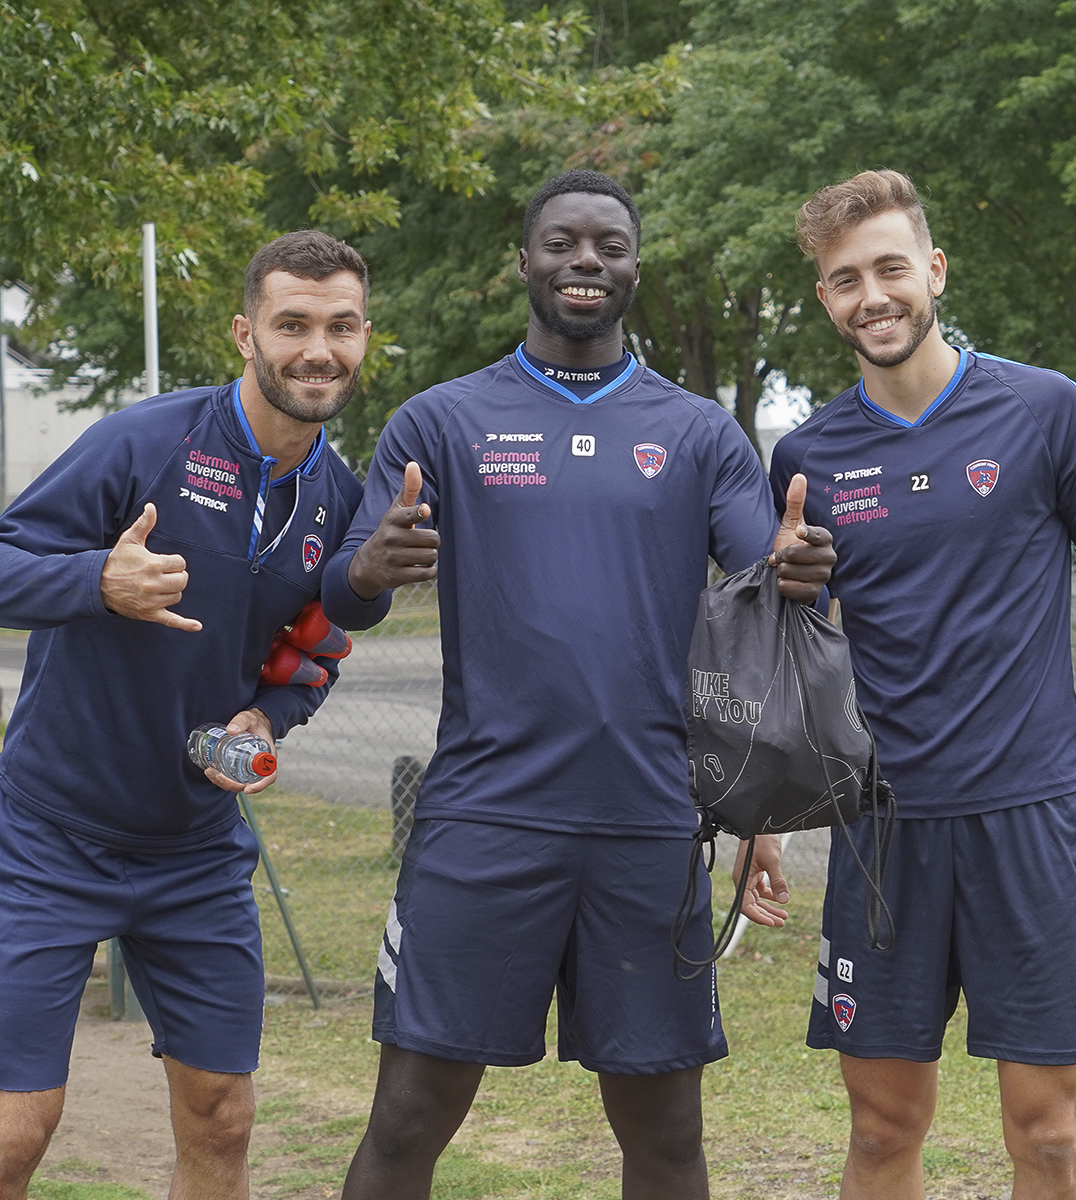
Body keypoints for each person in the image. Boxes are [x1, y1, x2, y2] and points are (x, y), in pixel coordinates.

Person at [320, 169, 836, 1200]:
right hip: (483, 821)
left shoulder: (694, 432)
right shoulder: (440, 422)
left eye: (608, 244)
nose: (585, 261)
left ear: (635, 264)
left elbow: (766, 580)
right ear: (525, 262)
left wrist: (797, 568)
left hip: (647, 826)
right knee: (406, 1121)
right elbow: (346, 593)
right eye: (561, 243)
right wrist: (368, 567)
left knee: (665, 1140)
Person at [752, 169, 1076, 1200]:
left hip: (1030, 822)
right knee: (880, 1132)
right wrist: (767, 820)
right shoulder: (805, 456)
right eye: (843, 280)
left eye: (889, 268)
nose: (871, 295)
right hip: (882, 836)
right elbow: (797, 648)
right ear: (824, 299)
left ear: (935, 271)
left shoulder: (1043, 411)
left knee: (1047, 1136)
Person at [0, 230, 372, 1199]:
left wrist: (267, 718)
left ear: (362, 337)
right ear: (244, 333)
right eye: (292, 323)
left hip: (194, 854)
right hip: (49, 842)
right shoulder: (146, 442)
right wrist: (98, 577)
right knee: (14, 1134)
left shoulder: (339, 498)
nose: (317, 349)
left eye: (339, 326)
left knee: (223, 1117)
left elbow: (313, 650)